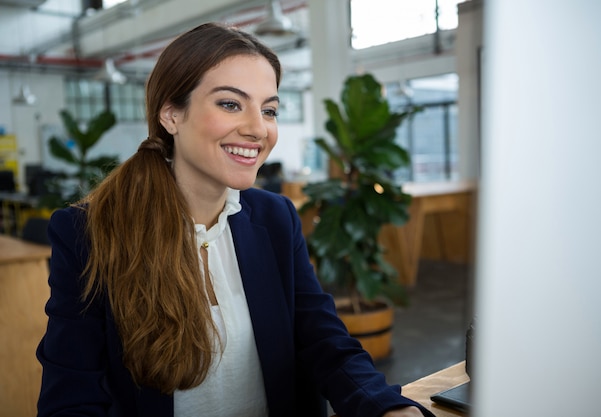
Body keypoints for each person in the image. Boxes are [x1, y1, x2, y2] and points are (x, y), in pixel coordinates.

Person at [36, 22, 434, 417]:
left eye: (269, 110)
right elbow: (71, 399)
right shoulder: (87, 233)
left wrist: (386, 408)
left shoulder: (277, 218)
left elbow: (322, 340)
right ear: (171, 114)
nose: (258, 129)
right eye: (230, 104)